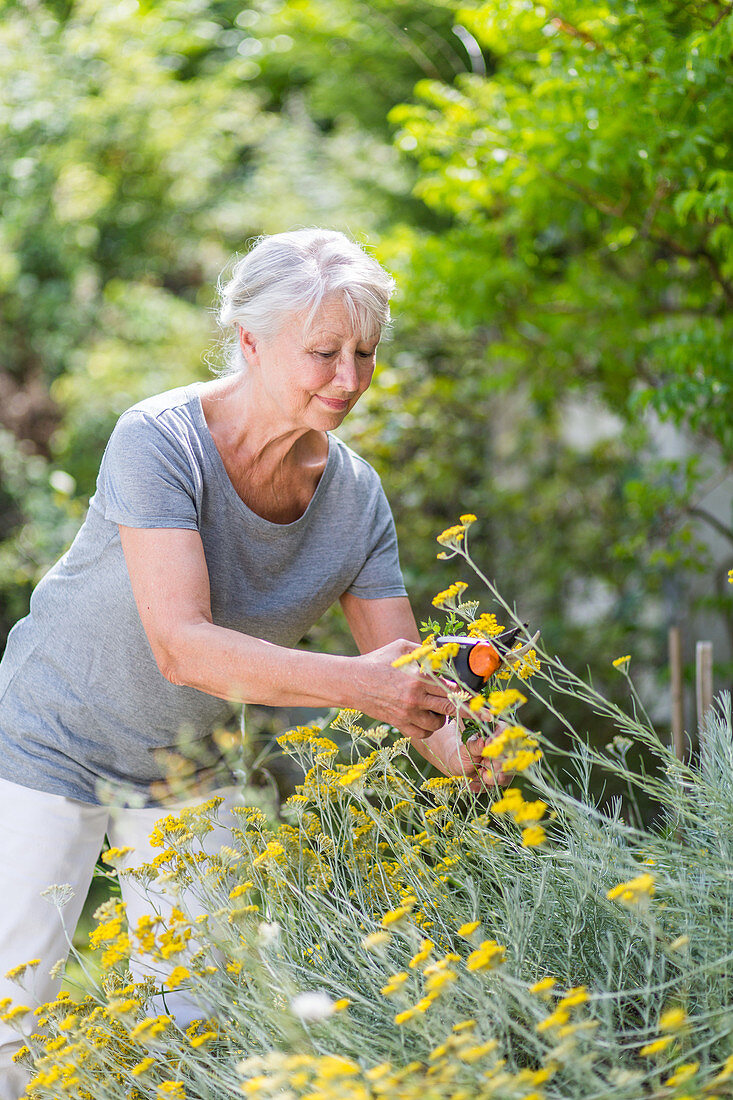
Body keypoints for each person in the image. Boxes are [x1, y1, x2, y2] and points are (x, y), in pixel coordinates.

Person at [0, 228, 498, 1093]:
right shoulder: (160, 439)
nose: (348, 380)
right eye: (322, 353)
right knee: (14, 1024)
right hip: (49, 743)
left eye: (363, 353)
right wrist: (364, 687)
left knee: (197, 1036)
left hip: (192, 770)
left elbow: (403, 667)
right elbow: (181, 645)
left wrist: (454, 743)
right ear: (250, 343)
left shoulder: (355, 496)